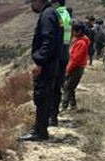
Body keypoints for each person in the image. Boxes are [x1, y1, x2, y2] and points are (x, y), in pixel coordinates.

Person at [19, 0, 61, 142]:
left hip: (47, 64)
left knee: (42, 97)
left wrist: (40, 62)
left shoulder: (48, 15)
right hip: (51, 63)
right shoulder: (51, 13)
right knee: (44, 97)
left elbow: (48, 40)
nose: (31, 4)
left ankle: (40, 132)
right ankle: (39, 129)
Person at [51, 0, 72, 127]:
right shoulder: (66, 14)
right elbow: (66, 39)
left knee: (52, 88)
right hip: (63, 55)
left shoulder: (59, 14)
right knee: (57, 87)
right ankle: (53, 116)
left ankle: (52, 117)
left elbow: (57, 38)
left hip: (57, 57)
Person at [62, 22, 90, 111]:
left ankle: (64, 106)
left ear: (79, 31)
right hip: (77, 67)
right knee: (70, 87)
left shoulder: (81, 43)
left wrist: (67, 70)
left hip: (76, 68)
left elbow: (75, 59)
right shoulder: (81, 41)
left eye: (73, 31)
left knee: (67, 87)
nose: (72, 33)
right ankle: (72, 105)